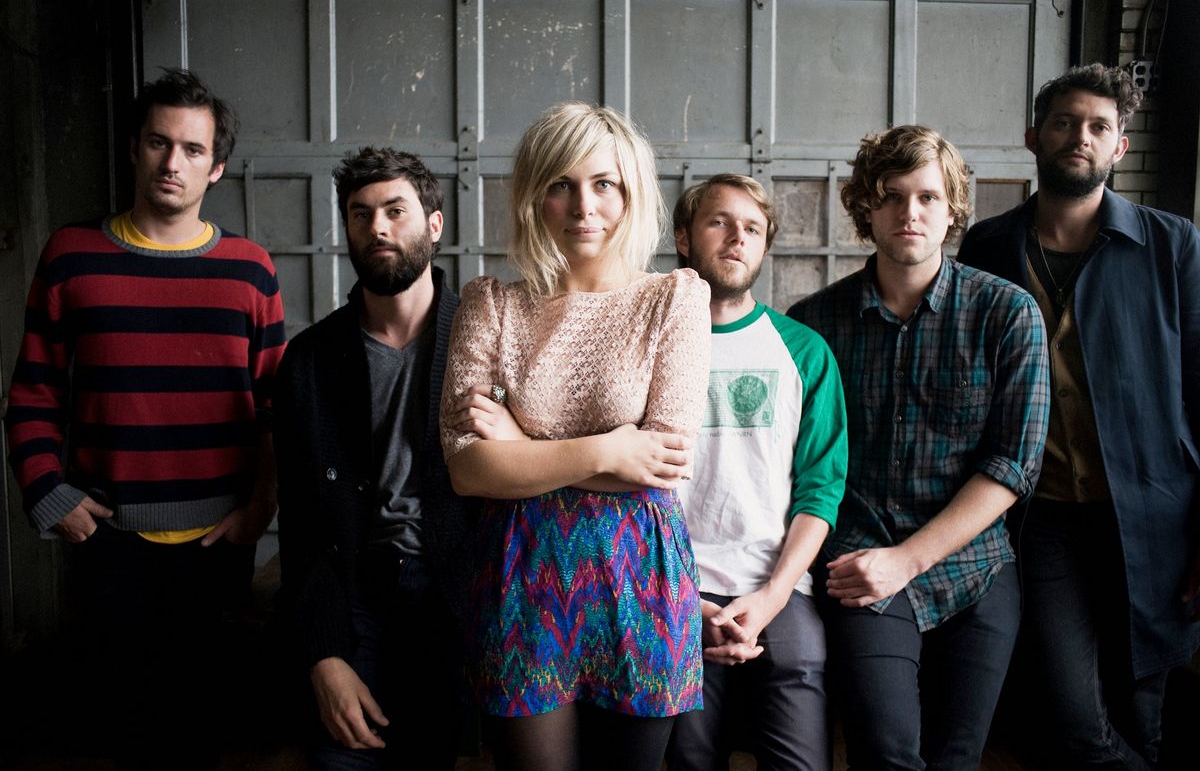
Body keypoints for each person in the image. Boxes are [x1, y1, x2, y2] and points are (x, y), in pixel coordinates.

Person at [5, 68, 285, 768]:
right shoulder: (71, 256)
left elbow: (276, 410)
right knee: (114, 732)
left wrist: (259, 509)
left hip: (217, 545)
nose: (172, 162)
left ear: (216, 167)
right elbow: (33, 392)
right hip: (109, 542)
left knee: (208, 732)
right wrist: (49, 495)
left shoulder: (250, 270)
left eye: (192, 149)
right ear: (134, 149)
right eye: (159, 143)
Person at [439, 101, 711, 771]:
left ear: (631, 192)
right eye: (561, 184)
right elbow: (467, 470)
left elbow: (662, 462)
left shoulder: (674, 299)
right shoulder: (491, 304)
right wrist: (608, 449)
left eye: (603, 184)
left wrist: (519, 445)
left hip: (641, 578)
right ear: (536, 196)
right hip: (521, 575)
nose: (584, 206)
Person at [957, 63, 1200, 770]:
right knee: (1072, 712)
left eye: (1098, 126)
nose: (1079, 137)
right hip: (1043, 517)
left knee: (1141, 709)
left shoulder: (1171, 244)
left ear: (1120, 146)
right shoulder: (988, 247)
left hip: (1154, 517)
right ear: (1033, 136)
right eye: (1064, 122)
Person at [788, 125, 1050, 771]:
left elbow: (1013, 465)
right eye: (892, 196)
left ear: (953, 208)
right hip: (861, 561)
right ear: (865, 208)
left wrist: (909, 560)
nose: (911, 212)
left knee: (957, 756)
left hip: (975, 564)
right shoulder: (814, 324)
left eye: (928, 197)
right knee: (885, 752)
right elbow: (799, 464)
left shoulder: (1007, 313)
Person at [274, 148, 474, 770]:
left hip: (457, 598)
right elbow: (302, 524)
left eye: (395, 211)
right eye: (361, 215)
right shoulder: (310, 360)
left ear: (434, 225)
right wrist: (323, 655)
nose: (377, 228)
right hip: (354, 594)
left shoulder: (483, 340)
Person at [664, 174, 847, 771]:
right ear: (684, 238)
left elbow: (820, 491)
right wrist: (685, 602)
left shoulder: (804, 351)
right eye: (719, 222)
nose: (737, 238)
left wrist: (771, 597)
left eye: (752, 228)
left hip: (778, 584)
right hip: (674, 587)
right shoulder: (651, 346)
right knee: (690, 758)